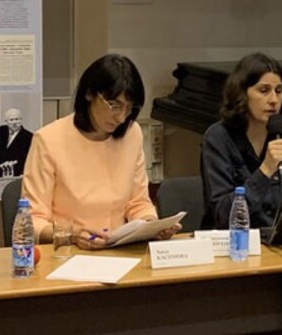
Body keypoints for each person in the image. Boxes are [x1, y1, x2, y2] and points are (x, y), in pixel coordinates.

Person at [22, 54, 180, 249]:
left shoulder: (132, 134)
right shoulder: (48, 140)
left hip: (119, 251)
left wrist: (150, 225)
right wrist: (69, 235)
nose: (121, 117)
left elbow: (138, 202)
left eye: (129, 109)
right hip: (67, 254)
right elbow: (32, 221)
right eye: (114, 105)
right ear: (90, 94)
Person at [200, 52, 282, 230]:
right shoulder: (218, 138)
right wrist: (265, 170)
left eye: (278, 91)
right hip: (235, 242)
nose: (273, 100)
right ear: (242, 94)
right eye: (264, 91)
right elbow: (223, 215)